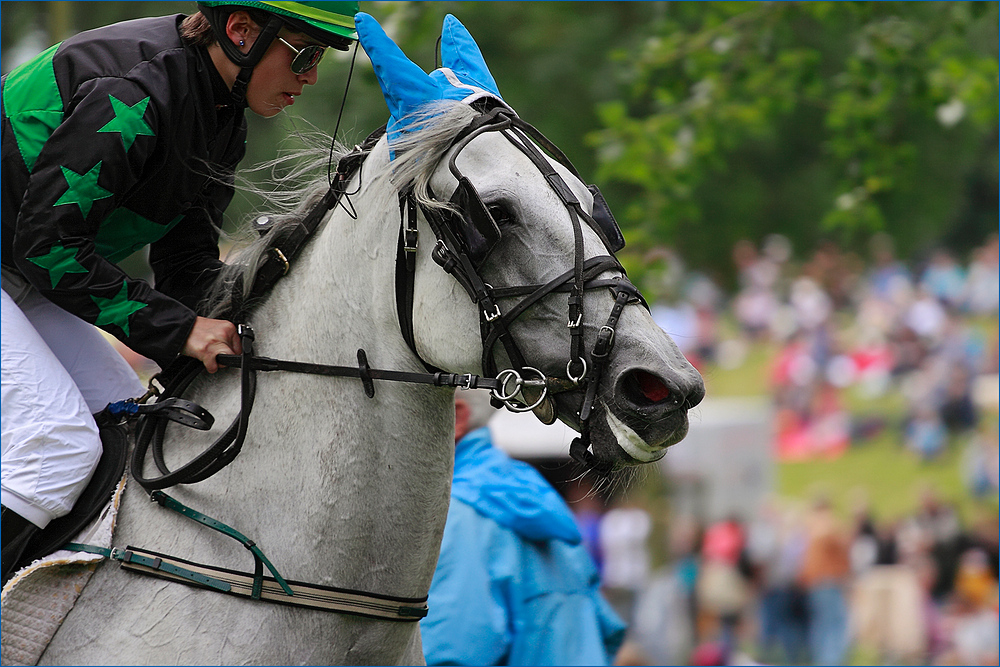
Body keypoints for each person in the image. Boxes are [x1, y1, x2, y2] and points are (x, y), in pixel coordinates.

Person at [1, 1, 359, 583]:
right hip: (24, 258)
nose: (312, 77)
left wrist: (252, 332)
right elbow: (50, 247)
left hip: (17, 266)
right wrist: (181, 331)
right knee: (56, 449)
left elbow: (186, 263)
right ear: (241, 32)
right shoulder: (135, 92)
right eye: (304, 54)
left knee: (124, 417)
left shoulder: (220, 117)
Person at [421, 391, 626, 665]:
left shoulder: (455, 514)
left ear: (457, 417)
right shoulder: (533, 494)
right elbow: (607, 630)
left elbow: (449, 654)